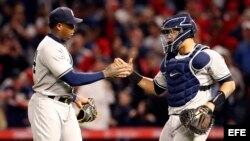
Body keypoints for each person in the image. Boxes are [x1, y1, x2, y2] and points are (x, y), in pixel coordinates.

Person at [116, 13, 236, 141]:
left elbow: (229, 84)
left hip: (193, 118)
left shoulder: (207, 55)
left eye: (172, 32)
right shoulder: (169, 60)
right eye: (168, 33)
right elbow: (156, 88)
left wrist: (211, 105)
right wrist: (132, 74)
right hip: (172, 118)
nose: (169, 36)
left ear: (184, 31)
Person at [28, 7, 131, 141]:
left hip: (64, 103)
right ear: (59, 26)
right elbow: (72, 78)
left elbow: (56, 81)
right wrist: (105, 73)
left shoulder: (58, 46)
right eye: (70, 25)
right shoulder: (49, 47)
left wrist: (74, 97)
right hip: (47, 105)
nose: (73, 28)